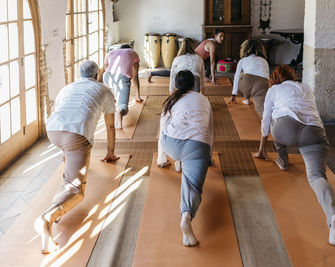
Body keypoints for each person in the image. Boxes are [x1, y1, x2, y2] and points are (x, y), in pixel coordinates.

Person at [254, 65, 335, 246]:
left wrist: (262, 148)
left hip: (284, 129)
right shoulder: (306, 87)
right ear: (293, 76)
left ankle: (283, 160)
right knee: (317, 177)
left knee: (274, 117)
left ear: (275, 78)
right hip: (314, 131)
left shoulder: (274, 89)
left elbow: (265, 120)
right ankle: (334, 216)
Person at [35, 61, 119, 254]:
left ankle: (57, 210)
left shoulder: (68, 88)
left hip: (53, 130)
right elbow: (110, 126)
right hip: (77, 134)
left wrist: (66, 152)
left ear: (79, 74)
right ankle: (47, 219)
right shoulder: (104, 90)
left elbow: (62, 113)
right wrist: (111, 152)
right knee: (76, 190)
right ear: (97, 75)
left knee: (69, 178)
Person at [157, 70, 214, 247]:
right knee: (192, 186)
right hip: (196, 146)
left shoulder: (171, 101)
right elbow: (210, 130)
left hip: (170, 144)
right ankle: (186, 217)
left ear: (176, 85)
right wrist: (207, 156)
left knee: (173, 132)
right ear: (194, 85)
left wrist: (162, 158)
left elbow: (161, 129)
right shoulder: (203, 99)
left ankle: (178, 163)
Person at [103, 44, 143, 129]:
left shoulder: (111, 52)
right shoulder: (133, 52)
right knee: (123, 104)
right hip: (122, 78)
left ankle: (113, 98)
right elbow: (135, 76)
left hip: (106, 77)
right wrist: (137, 97)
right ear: (130, 48)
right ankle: (120, 113)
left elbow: (106, 68)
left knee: (113, 87)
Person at [228, 39, 270, 117]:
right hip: (263, 84)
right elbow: (267, 75)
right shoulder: (264, 61)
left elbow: (236, 77)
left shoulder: (242, 60)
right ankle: (268, 121)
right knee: (261, 108)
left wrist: (234, 94)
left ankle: (247, 99)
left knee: (241, 74)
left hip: (247, 83)